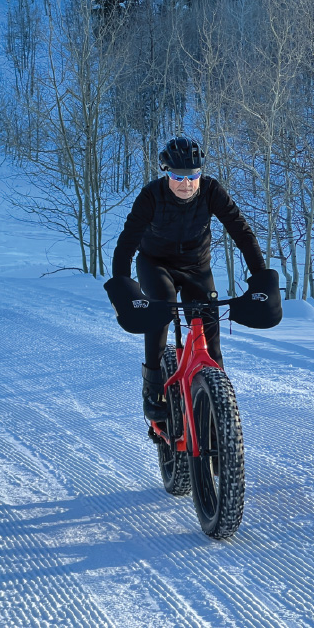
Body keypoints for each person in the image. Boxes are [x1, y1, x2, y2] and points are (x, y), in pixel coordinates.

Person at [110, 136, 267, 423]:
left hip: (196, 266)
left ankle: (219, 406)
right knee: (163, 306)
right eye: (177, 175)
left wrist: (261, 277)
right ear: (165, 171)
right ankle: (153, 387)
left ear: (200, 172)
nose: (186, 183)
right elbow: (127, 241)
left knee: (209, 327)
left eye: (193, 175)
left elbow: (242, 233)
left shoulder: (211, 191)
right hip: (156, 264)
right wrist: (122, 283)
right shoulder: (151, 195)